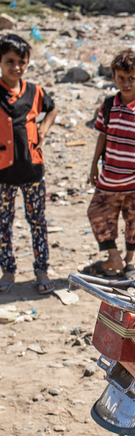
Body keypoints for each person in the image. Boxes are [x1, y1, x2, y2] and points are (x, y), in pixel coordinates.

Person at [85, 50, 135, 278]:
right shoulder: (108, 107)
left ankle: (129, 261)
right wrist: (93, 166)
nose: (126, 83)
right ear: (114, 78)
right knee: (96, 212)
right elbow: (102, 137)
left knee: (134, 222)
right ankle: (113, 255)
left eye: (132, 78)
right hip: (108, 179)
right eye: (121, 78)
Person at [0, 33, 58, 295]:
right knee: (3, 224)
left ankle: (42, 269)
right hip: (3, 174)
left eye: (21, 62)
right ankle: (8, 270)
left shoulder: (34, 92)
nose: (16, 67)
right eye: (10, 61)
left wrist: (44, 129)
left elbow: (52, 108)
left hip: (33, 170)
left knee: (38, 221)